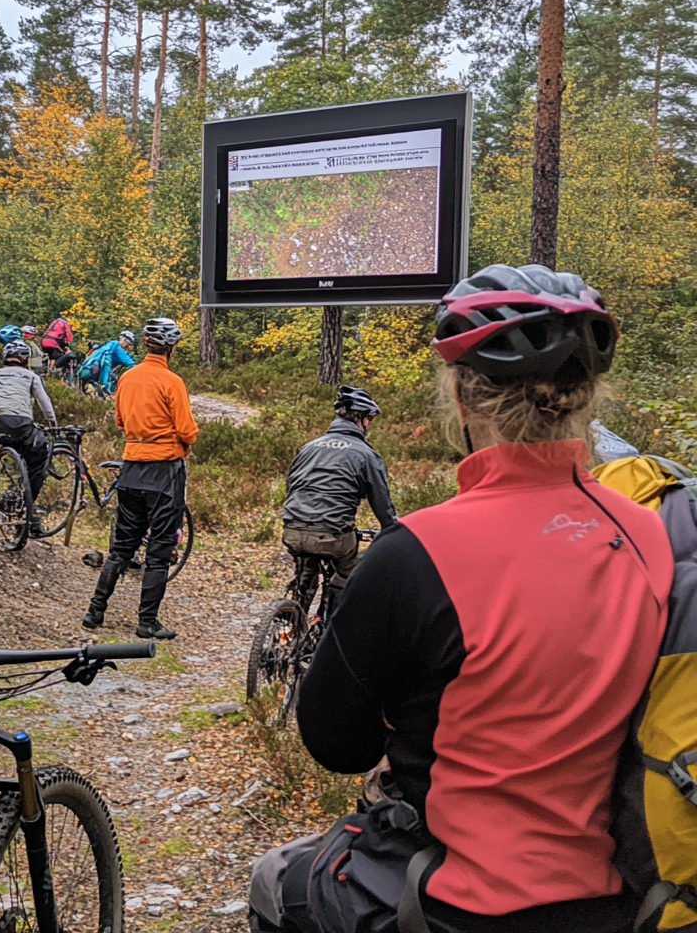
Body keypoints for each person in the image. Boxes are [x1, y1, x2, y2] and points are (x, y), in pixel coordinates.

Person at [249, 263, 673, 933]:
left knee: (274, 881)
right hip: (616, 899)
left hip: (451, 900)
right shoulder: (649, 534)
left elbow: (335, 743)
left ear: (460, 394)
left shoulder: (417, 554)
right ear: (587, 397)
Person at [82, 318, 198, 640]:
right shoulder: (172, 381)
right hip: (165, 472)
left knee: (121, 547)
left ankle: (94, 612)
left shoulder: (128, 378)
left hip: (131, 467)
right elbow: (188, 430)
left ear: (147, 345)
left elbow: (120, 420)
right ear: (171, 348)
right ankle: (147, 622)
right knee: (159, 551)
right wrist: (182, 442)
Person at [280, 385, 397, 609]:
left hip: (293, 529)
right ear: (362, 419)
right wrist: (393, 530)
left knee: (306, 569)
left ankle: (291, 622)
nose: (369, 424)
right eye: (369, 419)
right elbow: (382, 505)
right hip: (333, 536)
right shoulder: (366, 454)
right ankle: (333, 624)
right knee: (350, 571)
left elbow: (292, 487)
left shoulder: (309, 447)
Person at [0, 340, 57, 528]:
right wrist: (53, 424)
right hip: (20, 426)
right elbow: (45, 403)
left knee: (12, 445)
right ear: (25, 359)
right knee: (40, 455)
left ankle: (6, 491)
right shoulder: (30, 375)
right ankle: (27, 508)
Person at [81, 330, 137, 397]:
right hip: (97, 374)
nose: (127, 348)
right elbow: (130, 364)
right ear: (124, 340)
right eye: (128, 345)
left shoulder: (109, 345)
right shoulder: (116, 346)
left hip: (87, 372)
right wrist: (104, 385)